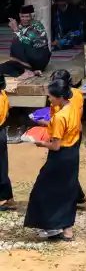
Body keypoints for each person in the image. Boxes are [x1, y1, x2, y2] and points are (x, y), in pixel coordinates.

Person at [24, 77, 80, 241]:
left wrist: (39, 143)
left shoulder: (59, 117)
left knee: (43, 189)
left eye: (51, 96)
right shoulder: (73, 106)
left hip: (60, 156)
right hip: (72, 153)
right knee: (67, 190)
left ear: (60, 97)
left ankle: (51, 225)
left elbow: (55, 145)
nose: (49, 99)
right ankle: (67, 228)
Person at [50, 69, 86, 205]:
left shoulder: (59, 99)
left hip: (63, 133)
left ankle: (71, 196)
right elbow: (79, 113)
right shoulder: (78, 93)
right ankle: (76, 194)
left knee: (63, 165)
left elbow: (55, 116)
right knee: (70, 165)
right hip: (76, 131)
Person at [0, 5, 50, 79]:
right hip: (28, 60)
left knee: (16, 42)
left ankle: (27, 70)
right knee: (3, 68)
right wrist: (17, 29)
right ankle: (32, 72)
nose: (25, 19)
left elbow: (27, 42)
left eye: (27, 17)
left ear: (32, 16)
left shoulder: (37, 25)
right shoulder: (22, 26)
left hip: (39, 58)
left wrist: (16, 30)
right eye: (22, 17)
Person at [0, 73, 13, 211]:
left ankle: (2, 199)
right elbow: (8, 112)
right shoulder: (3, 94)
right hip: (2, 132)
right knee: (2, 165)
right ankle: (7, 196)